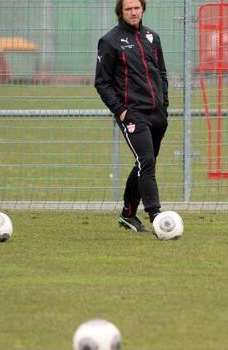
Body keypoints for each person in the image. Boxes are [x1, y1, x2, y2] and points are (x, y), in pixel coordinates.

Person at [94, 0, 169, 232]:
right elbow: (102, 82)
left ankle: (128, 214)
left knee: (143, 162)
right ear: (121, 12)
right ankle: (156, 215)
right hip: (133, 114)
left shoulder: (151, 37)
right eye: (129, 9)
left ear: (143, 9)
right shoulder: (110, 41)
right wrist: (121, 111)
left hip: (157, 113)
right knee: (146, 162)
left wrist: (164, 104)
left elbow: (162, 73)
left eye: (137, 7)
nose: (134, 12)